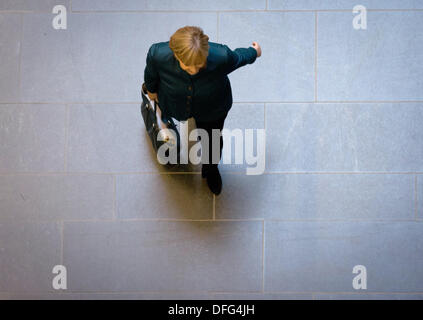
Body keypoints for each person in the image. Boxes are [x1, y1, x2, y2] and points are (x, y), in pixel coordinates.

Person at [144, 26, 261, 195]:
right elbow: (151, 74)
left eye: (199, 66)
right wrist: (151, 90)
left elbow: (239, 57)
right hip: (176, 104)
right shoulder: (157, 54)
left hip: (212, 108)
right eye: (188, 66)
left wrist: (254, 51)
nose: (194, 70)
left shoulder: (221, 56)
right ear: (176, 55)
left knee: (212, 141)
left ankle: (211, 169)